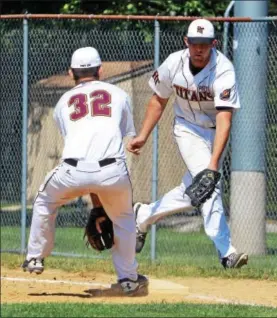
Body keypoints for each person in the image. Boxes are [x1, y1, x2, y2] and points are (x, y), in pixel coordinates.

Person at [21, 47, 148, 295]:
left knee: (45, 200)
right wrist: (101, 207)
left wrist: (97, 204)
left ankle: (36, 256)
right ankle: (129, 279)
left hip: (72, 170)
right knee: (123, 220)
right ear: (100, 70)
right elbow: (114, 141)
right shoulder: (119, 95)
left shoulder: (62, 103)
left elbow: (85, 152)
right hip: (113, 171)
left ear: (71, 73)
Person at [127, 19, 248, 269]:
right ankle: (226, 252)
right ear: (186, 42)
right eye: (194, 43)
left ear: (214, 44)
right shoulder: (174, 62)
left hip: (215, 131)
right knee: (210, 186)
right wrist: (143, 135)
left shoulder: (223, 69)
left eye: (204, 44)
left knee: (197, 187)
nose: (198, 49)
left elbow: (225, 119)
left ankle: (144, 215)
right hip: (187, 129)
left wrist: (213, 163)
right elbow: (158, 100)